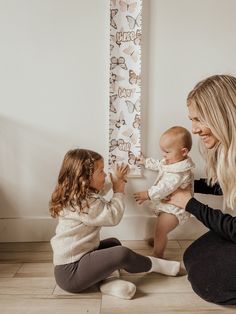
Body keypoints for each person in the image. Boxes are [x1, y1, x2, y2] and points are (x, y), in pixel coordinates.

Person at [49, 148, 181, 300]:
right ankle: (157, 265)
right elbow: (112, 216)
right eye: (101, 171)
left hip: (79, 260)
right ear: (85, 179)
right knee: (121, 253)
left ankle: (109, 282)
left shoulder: (79, 195)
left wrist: (115, 179)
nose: (105, 174)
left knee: (113, 244)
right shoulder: (83, 204)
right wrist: (119, 190)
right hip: (71, 273)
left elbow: (99, 190)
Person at [166, 74, 236, 305]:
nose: (193, 129)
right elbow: (224, 185)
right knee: (193, 256)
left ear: (221, 116)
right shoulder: (229, 153)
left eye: (198, 119)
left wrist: (190, 204)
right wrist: (190, 184)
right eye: (191, 120)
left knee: (210, 280)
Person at [134, 126, 195, 258]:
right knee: (159, 229)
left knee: (161, 229)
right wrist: (145, 161)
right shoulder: (172, 161)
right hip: (169, 205)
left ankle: (158, 254)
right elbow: (159, 164)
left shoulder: (179, 172)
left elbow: (165, 187)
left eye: (167, 152)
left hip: (175, 209)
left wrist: (148, 194)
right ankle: (158, 241)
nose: (164, 155)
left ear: (183, 152)